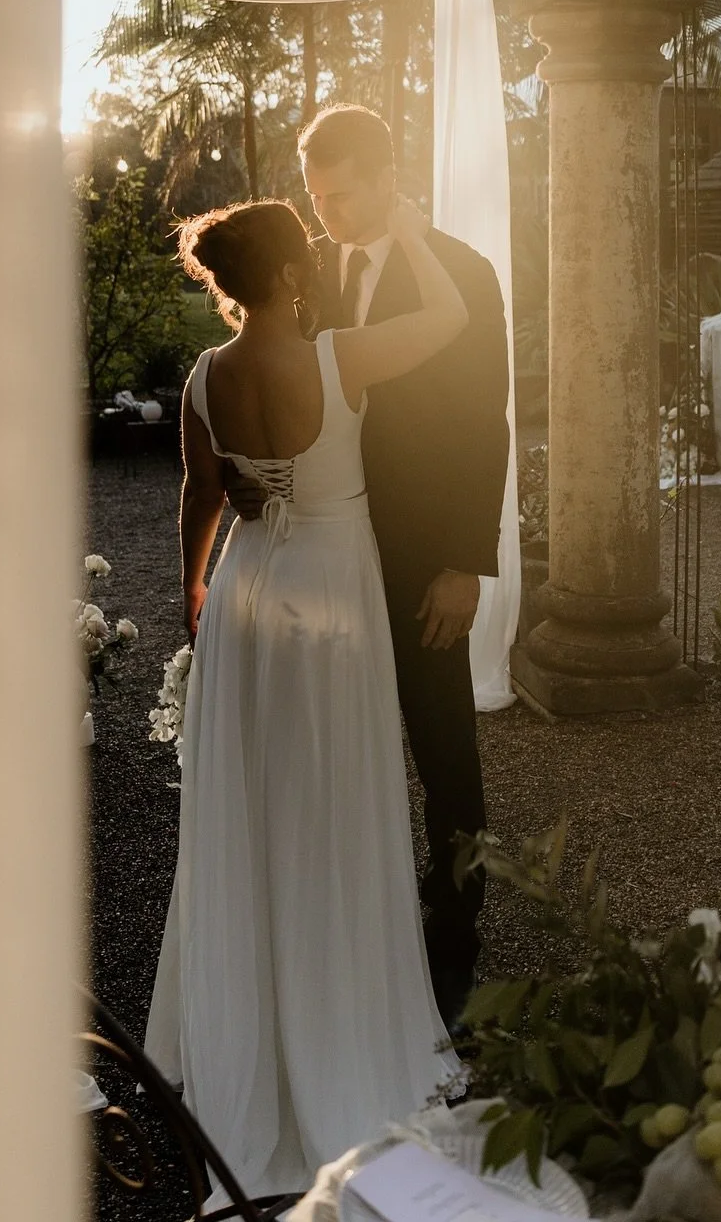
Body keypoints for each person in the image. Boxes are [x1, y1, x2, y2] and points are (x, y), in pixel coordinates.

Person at [145, 194, 468, 1196]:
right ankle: (341, 1016)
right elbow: (452, 319)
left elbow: (200, 498)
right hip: (336, 586)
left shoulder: (205, 376)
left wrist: (196, 586)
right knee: (338, 799)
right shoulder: (345, 358)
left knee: (258, 802)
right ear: (288, 277)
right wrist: (409, 231)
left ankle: (257, 1018)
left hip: (251, 593)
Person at [227, 106, 511, 1029]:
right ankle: (354, 923)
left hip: (425, 551)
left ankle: (455, 933)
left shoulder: (464, 273)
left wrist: (467, 562)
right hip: (330, 546)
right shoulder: (306, 274)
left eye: (340, 191)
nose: (325, 210)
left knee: (442, 744)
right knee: (340, 739)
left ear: (387, 178)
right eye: (314, 193)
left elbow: (486, 422)